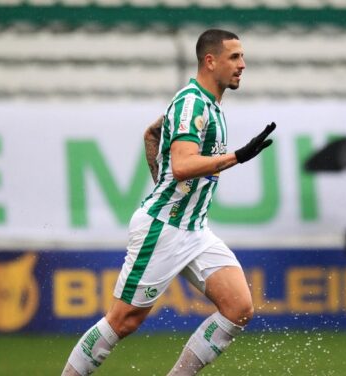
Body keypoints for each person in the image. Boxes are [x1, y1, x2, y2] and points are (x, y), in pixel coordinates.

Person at [62, 29, 277, 376]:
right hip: (163, 228)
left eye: (242, 57)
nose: (243, 65)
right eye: (234, 57)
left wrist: (158, 163)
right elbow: (181, 166)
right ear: (210, 61)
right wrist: (236, 156)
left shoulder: (211, 106)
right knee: (123, 321)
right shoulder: (192, 102)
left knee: (238, 307)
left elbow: (154, 137)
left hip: (194, 230)